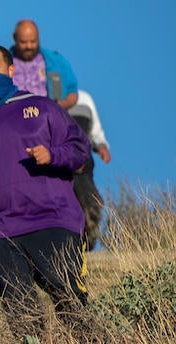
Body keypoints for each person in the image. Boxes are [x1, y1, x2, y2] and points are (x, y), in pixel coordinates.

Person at [0, 45, 93, 340]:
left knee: (73, 306)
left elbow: (80, 150)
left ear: (11, 71)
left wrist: (53, 155)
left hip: (53, 220)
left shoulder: (44, 108)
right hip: (0, 230)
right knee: (23, 319)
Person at [67, 89, 112, 250]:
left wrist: (101, 145)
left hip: (83, 158)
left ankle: (90, 222)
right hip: (59, 158)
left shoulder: (84, 99)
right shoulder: (45, 96)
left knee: (86, 192)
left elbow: (95, 129)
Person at [11, 19, 79, 110]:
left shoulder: (56, 62)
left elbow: (72, 92)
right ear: (15, 38)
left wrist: (59, 107)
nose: (29, 46)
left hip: (46, 118)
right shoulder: (3, 63)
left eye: (33, 41)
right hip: (14, 118)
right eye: (23, 42)